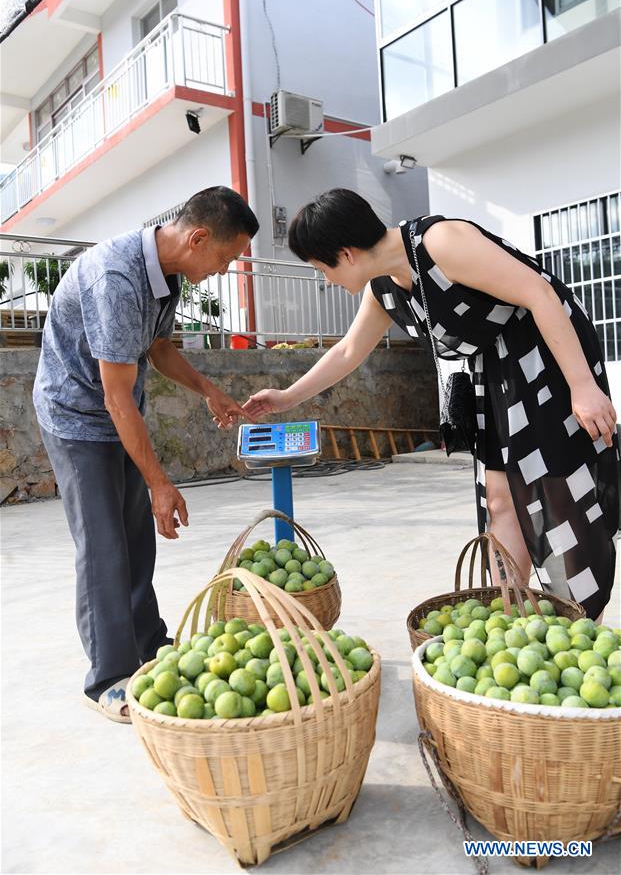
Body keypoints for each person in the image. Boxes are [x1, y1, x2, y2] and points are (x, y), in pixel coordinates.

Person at [243, 188, 619, 621]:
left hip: (545, 360)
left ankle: (583, 618)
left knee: (557, 492)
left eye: (321, 268)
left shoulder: (440, 242)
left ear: (345, 254)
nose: (326, 281)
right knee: (499, 501)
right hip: (493, 377)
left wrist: (583, 386)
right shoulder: (383, 287)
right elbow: (348, 352)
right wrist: (287, 397)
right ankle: (508, 614)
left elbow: (540, 294)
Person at [33, 186, 258, 722]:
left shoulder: (168, 275)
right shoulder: (117, 277)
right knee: (103, 543)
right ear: (198, 237)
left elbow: (158, 349)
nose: (224, 270)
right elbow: (114, 395)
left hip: (115, 412)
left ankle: (150, 644)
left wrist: (208, 390)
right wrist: (159, 480)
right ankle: (109, 678)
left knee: (136, 535)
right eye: (226, 258)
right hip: (75, 417)